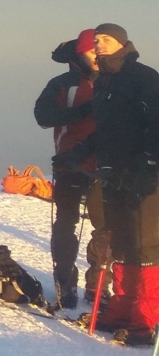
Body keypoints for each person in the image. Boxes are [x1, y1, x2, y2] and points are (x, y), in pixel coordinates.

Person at [86, 23, 159, 343]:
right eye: (96, 40)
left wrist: (150, 162)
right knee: (122, 243)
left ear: (122, 43)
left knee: (145, 245)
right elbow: (106, 130)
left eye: (106, 39)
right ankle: (122, 310)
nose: (99, 44)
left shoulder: (144, 77)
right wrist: (81, 152)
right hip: (113, 174)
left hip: (144, 175)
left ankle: (146, 320)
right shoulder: (104, 82)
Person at [34, 30, 101, 308]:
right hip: (69, 162)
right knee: (66, 222)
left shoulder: (117, 82)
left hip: (106, 165)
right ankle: (65, 281)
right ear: (80, 53)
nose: (97, 56)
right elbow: (43, 116)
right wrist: (85, 111)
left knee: (105, 227)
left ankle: (97, 286)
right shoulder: (63, 84)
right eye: (91, 51)